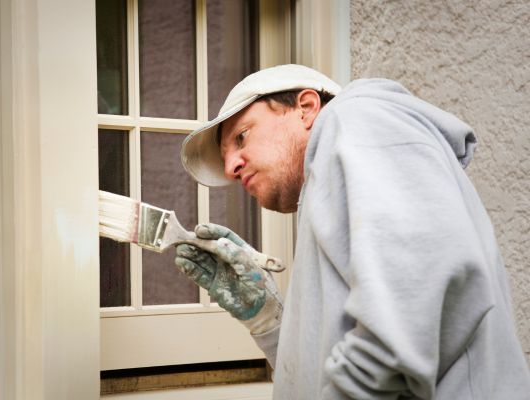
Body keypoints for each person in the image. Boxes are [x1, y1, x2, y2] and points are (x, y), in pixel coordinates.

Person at [174, 64, 530, 399]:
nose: (232, 166)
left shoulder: (358, 119)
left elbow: (411, 303)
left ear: (306, 107)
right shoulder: (330, 183)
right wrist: (271, 322)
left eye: (242, 136)